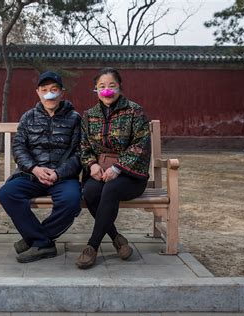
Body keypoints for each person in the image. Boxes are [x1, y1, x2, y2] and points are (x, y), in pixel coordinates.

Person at [0, 71, 82, 263]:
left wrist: (59, 173)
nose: (49, 94)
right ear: (38, 92)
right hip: (31, 175)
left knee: (72, 200)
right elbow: (18, 147)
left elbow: (80, 153)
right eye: (44, 90)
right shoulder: (28, 117)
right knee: (7, 193)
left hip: (62, 177)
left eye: (54, 90)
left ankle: (37, 240)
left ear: (62, 92)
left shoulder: (75, 118)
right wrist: (34, 168)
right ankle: (42, 242)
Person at [76, 67, 151, 269]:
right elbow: (83, 145)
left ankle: (92, 246)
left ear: (119, 87)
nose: (106, 90)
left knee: (110, 190)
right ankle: (117, 238)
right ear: (95, 90)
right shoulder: (89, 115)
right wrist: (91, 165)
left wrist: (118, 168)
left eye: (111, 85)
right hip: (99, 171)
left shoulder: (134, 111)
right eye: (101, 86)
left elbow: (140, 145)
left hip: (130, 174)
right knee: (90, 192)